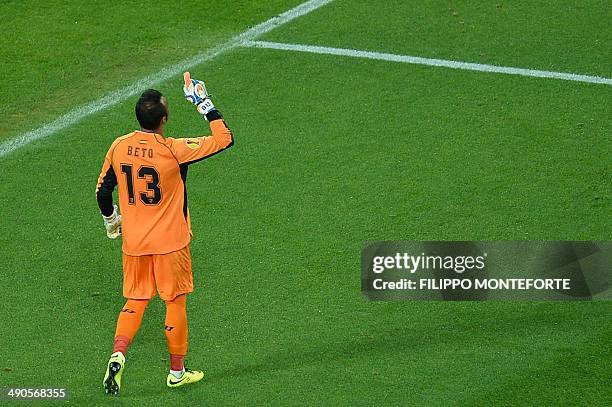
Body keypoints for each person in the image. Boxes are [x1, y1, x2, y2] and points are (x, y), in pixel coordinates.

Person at [95, 72, 233, 395]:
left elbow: (103, 193)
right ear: (165, 119)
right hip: (171, 243)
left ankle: (118, 354)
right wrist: (203, 102)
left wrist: (111, 219)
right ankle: (176, 372)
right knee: (174, 302)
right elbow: (224, 138)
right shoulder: (174, 150)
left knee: (136, 300)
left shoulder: (119, 147)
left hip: (134, 243)